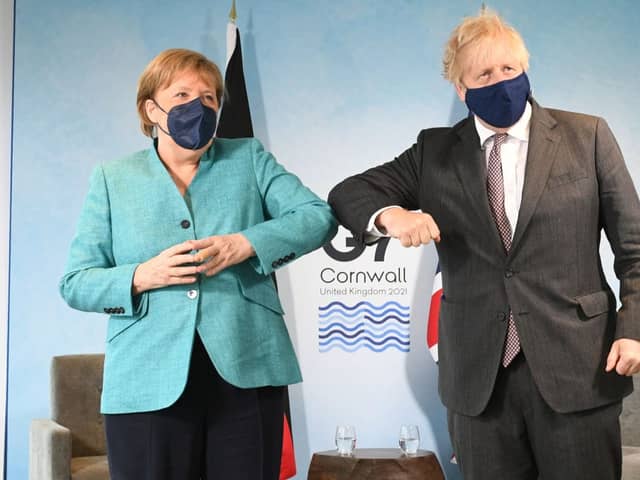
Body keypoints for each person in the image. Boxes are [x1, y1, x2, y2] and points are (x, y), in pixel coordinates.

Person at [328, 9, 640, 480]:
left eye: (509, 69)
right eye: (484, 73)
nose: (500, 81)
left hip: (578, 370)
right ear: (461, 88)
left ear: (526, 69)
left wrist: (632, 326)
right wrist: (390, 215)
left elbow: (635, 248)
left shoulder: (587, 135)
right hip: (479, 385)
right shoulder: (433, 152)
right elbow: (349, 193)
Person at [59, 48, 337, 480]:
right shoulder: (112, 178)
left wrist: (245, 243)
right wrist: (140, 275)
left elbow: (317, 218)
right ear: (151, 109)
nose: (199, 106)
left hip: (247, 367)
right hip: (146, 380)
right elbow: (76, 282)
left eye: (209, 98)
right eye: (183, 93)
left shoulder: (248, 157)